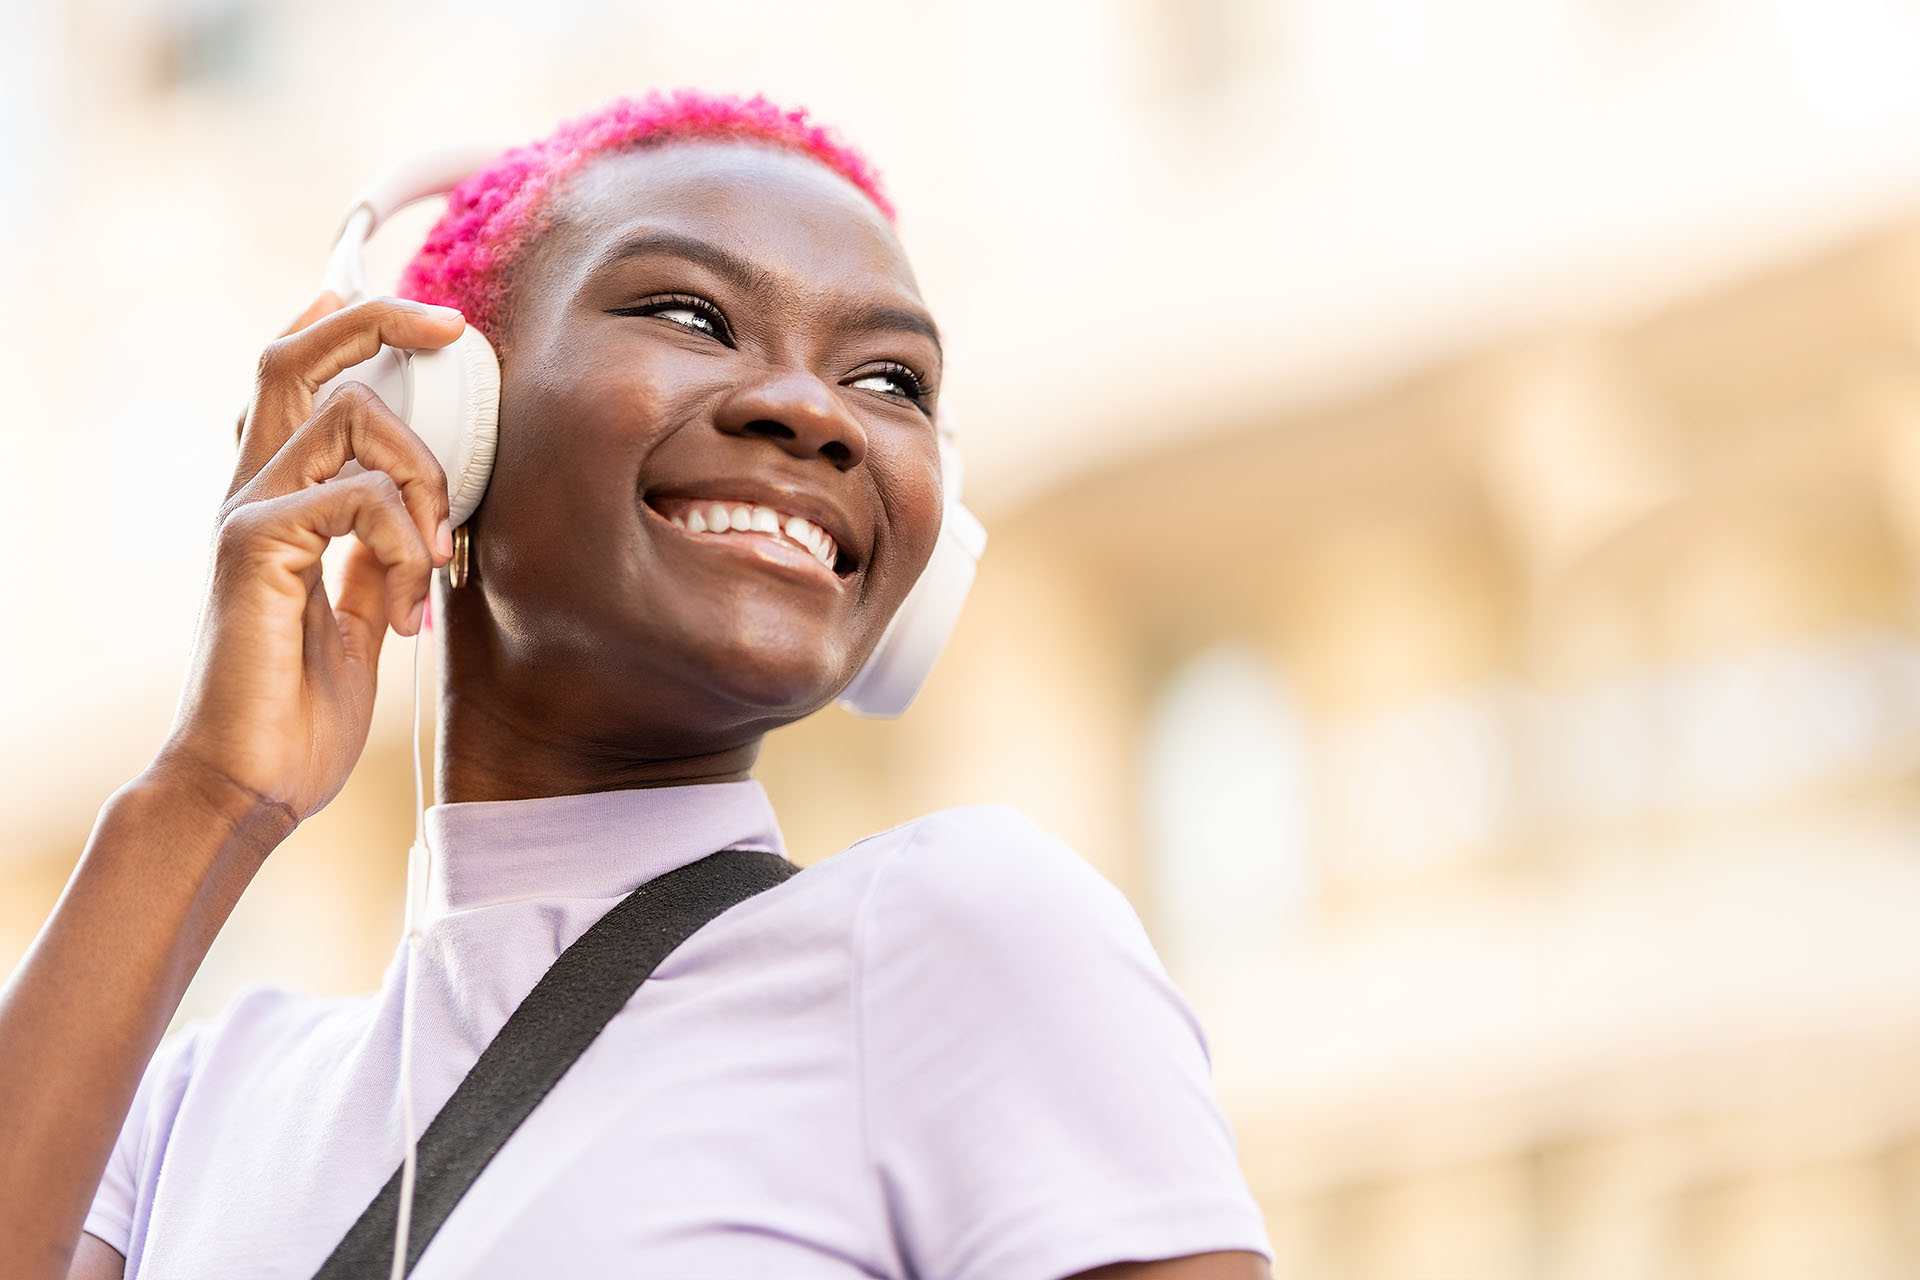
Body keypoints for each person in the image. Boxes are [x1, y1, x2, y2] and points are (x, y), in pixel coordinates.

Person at [0, 91, 1274, 1279]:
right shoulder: (188, 1105)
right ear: (445, 421)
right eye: (690, 315)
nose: (812, 411)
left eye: (889, 382)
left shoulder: (970, 935)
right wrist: (203, 796)